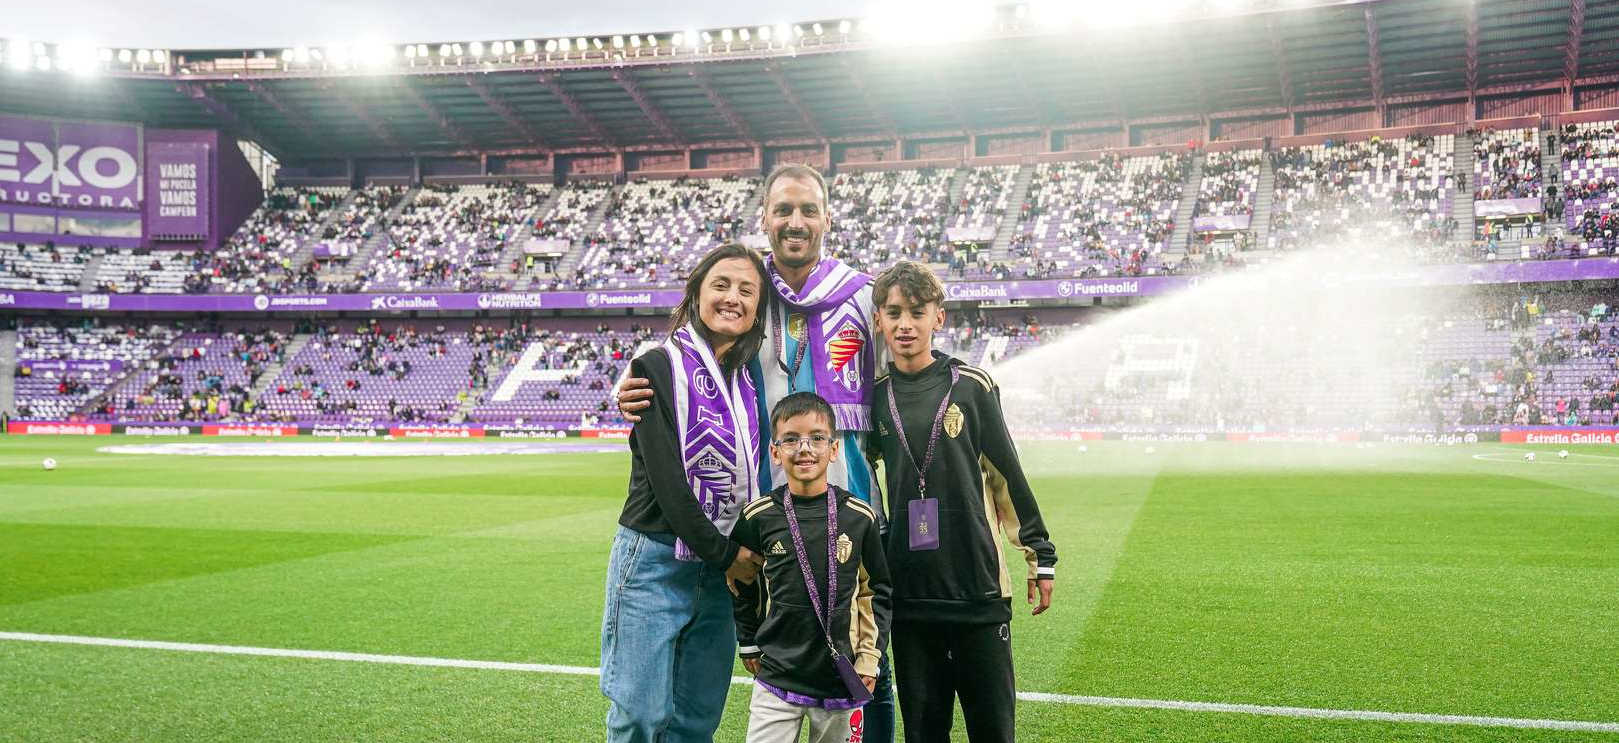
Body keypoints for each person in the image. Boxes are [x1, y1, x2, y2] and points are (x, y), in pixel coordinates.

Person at [617, 163, 897, 741]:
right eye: (783, 210)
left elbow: (901, 384)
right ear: (764, 218)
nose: (796, 222)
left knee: (867, 657)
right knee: (782, 656)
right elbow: (686, 365)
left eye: (808, 210)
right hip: (762, 519)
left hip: (849, 506)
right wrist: (631, 383)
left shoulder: (865, 298)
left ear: (827, 217)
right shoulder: (750, 293)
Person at [866, 260, 1058, 742]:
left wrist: (1040, 556)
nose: (905, 324)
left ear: (939, 318)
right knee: (924, 734)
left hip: (978, 592)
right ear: (879, 321)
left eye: (916, 311)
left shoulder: (972, 387)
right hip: (910, 596)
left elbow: (1006, 475)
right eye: (893, 313)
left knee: (993, 732)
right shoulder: (874, 398)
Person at [600, 243, 771, 743]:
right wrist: (728, 556)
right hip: (656, 561)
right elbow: (668, 485)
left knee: (696, 722)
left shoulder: (747, 383)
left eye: (747, 290)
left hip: (719, 575)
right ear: (696, 293)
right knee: (640, 715)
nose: (733, 298)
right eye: (721, 285)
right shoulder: (655, 366)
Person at [731, 392, 891, 743]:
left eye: (817, 438)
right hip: (777, 675)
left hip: (841, 676)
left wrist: (867, 659)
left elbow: (875, 592)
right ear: (775, 452)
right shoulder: (759, 517)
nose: (805, 448)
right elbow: (744, 584)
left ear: (833, 449)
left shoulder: (859, 517)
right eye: (791, 439)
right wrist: (748, 643)